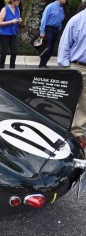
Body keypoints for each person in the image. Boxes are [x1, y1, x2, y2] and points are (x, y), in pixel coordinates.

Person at [57, 9, 86, 147]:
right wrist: (67, 66)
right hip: (80, 66)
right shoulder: (77, 20)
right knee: (81, 100)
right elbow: (65, 44)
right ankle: (77, 132)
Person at [38, 0, 66, 68]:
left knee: (52, 48)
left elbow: (60, 18)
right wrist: (42, 31)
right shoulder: (50, 6)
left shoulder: (61, 7)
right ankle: (42, 64)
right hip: (49, 29)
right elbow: (44, 19)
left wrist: (59, 28)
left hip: (56, 30)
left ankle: (44, 63)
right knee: (47, 47)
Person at [0, 0, 21, 69]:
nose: (19, 2)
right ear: (13, 1)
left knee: (15, 51)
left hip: (13, 33)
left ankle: (12, 68)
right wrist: (10, 22)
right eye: (17, 0)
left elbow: (17, 20)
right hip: (4, 34)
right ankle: (1, 69)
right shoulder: (5, 9)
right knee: (4, 52)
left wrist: (19, 20)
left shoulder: (17, 8)